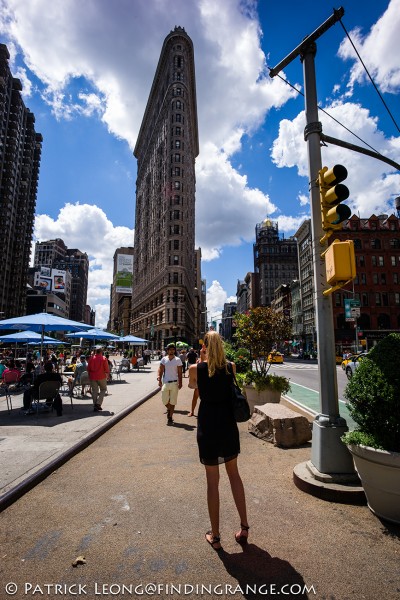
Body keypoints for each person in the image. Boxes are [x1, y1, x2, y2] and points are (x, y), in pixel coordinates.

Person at [188, 331, 249, 551]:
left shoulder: (196, 368)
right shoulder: (230, 367)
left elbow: (192, 387)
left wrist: (201, 361)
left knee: (212, 482)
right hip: (227, 426)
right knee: (234, 475)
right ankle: (244, 528)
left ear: (205, 347)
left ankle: (215, 536)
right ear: (221, 346)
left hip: (208, 426)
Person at [157, 343, 182, 425]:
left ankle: (170, 417)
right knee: (164, 400)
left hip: (174, 383)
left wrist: (180, 382)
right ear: (167, 350)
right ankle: (170, 409)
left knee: (173, 401)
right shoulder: (164, 359)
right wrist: (159, 379)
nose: (171, 351)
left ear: (174, 350)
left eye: (173, 349)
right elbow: (160, 369)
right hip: (166, 382)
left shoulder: (178, 360)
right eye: (170, 349)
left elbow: (179, 372)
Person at [188, 346, 206, 417]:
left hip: (205, 382)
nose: (204, 354)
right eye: (203, 352)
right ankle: (192, 411)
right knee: (195, 397)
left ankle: (194, 412)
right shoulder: (199, 361)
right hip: (198, 382)